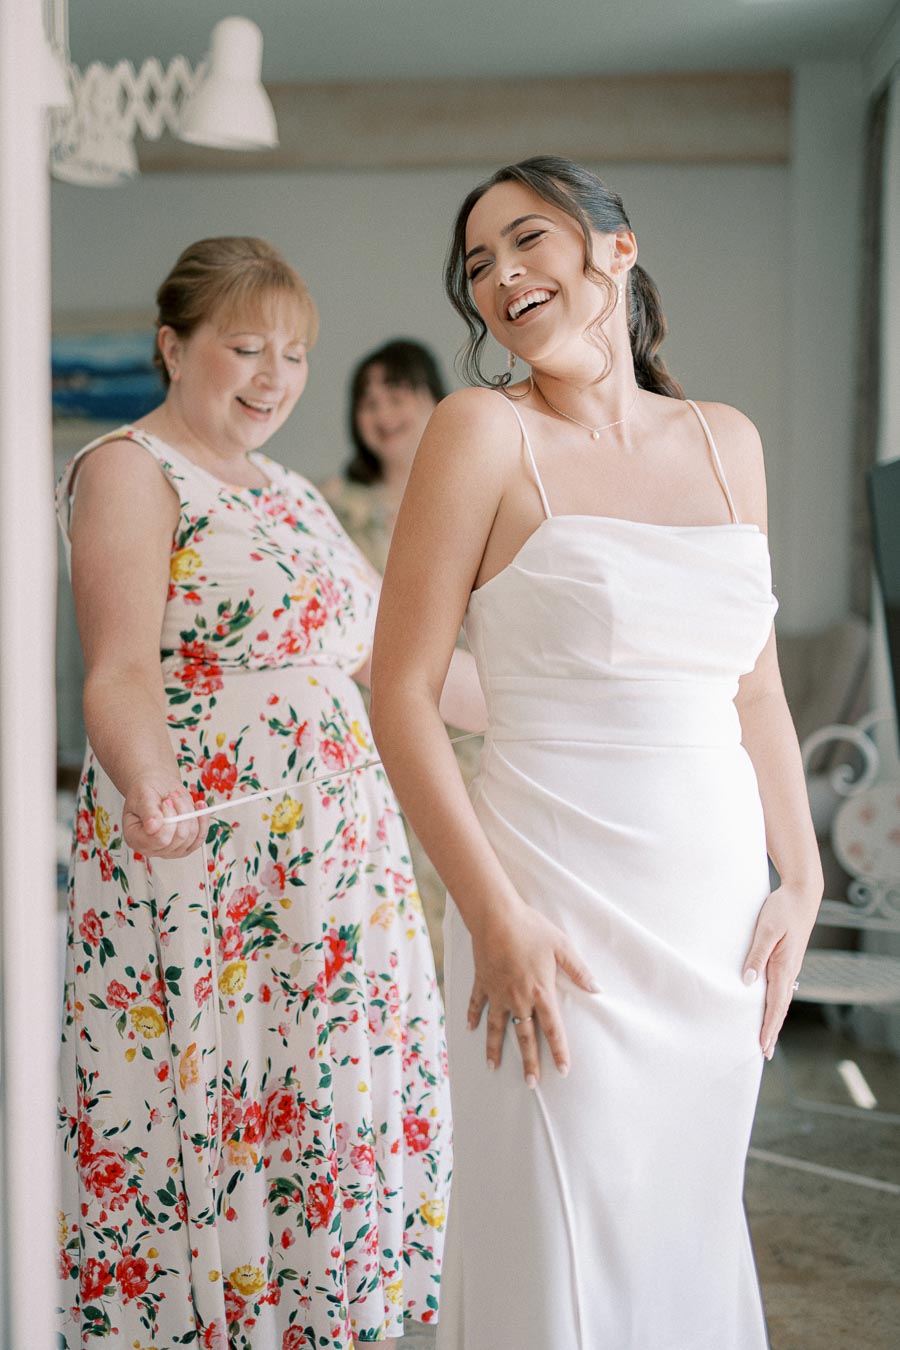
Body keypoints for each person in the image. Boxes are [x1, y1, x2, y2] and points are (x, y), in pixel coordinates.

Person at [369, 157, 823, 1348]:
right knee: (556, 1244)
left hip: (711, 922)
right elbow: (404, 696)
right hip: (550, 913)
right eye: (478, 264)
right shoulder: (480, 431)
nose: (503, 273)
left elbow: (757, 687)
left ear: (617, 249)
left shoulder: (730, 442)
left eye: (527, 240)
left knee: (681, 1230)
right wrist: (495, 916)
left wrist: (803, 876)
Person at [55, 237, 481, 1350]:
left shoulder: (291, 489)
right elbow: (121, 669)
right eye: (245, 347)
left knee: (333, 1118)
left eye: (293, 353)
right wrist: (154, 793)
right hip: (216, 870)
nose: (273, 375)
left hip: (340, 875)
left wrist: (575, 707)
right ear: (173, 346)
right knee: (223, 1116)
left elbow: (398, 654)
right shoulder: (129, 468)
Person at [322, 340, 479, 981]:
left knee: (461, 878)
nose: (383, 411)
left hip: (466, 720)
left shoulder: (473, 495)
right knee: (380, 891)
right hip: (364, 728)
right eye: (369, 399)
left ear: (432, 398)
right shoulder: (330, 506)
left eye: (398, 394)